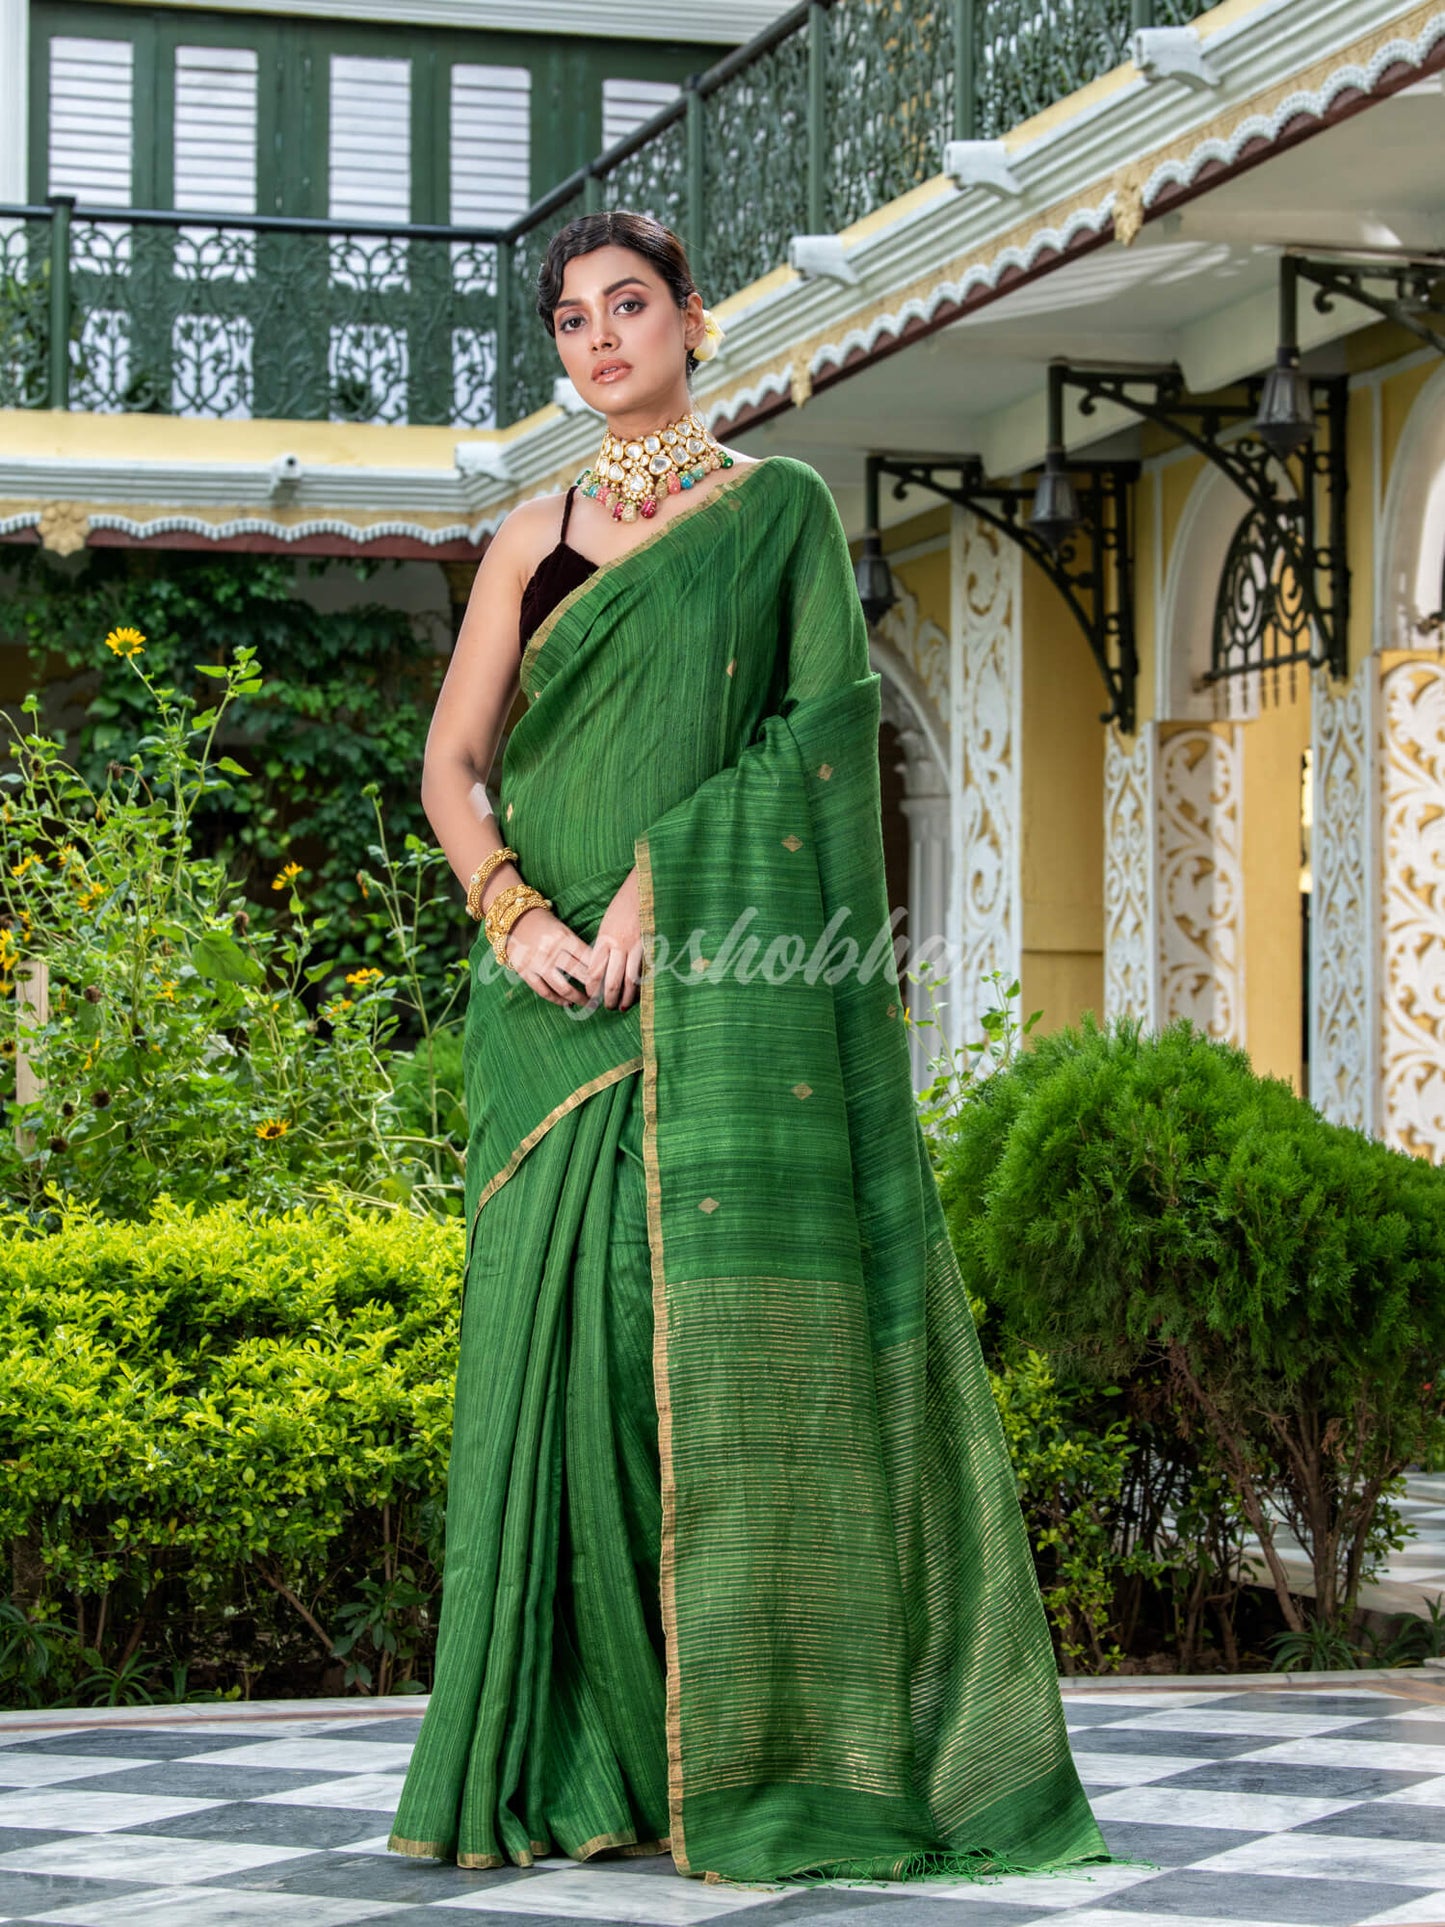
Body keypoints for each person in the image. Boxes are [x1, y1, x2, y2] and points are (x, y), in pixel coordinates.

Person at [387, 208, 1112, 1887]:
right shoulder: (529, 538)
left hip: (712, 983)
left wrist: (666, 881)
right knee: (560, 1374)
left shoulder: (774, 511)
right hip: (544, 1010)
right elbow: (451, 765)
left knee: (704, 1370)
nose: (600, 341)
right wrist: (513, 913)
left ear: (694, 323)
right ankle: (570, 1763)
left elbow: (817, 732)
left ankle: (749, 1749)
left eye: (628, 306)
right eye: (572, 320)